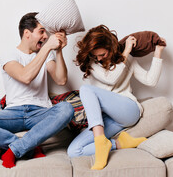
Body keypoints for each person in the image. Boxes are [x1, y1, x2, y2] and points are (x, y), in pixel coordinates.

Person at [0, 12, 74, 168]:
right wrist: (48, 47)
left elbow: (61, 80)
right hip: (13, 113)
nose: (45, 36)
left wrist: (58, 51)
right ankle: (29, 146)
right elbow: (25, 76)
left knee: (66, 109)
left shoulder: (47, 54)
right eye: (41, 31)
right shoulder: (9, 55)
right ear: (27, 33)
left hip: (40, 112)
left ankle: (16, 149)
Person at [67, 25, 166, 170]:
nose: (99, 59)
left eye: (102, 55)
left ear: (110, 48)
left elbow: (150, 81)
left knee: (86, 89)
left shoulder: (127, 59)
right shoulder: (92, 63)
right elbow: (111, 78)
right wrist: (126, 52)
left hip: (128, 111)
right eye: (95, 56)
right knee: (73, 151)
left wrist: (158, 52)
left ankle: (100, 142)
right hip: (109, 120)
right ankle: (117, 144)